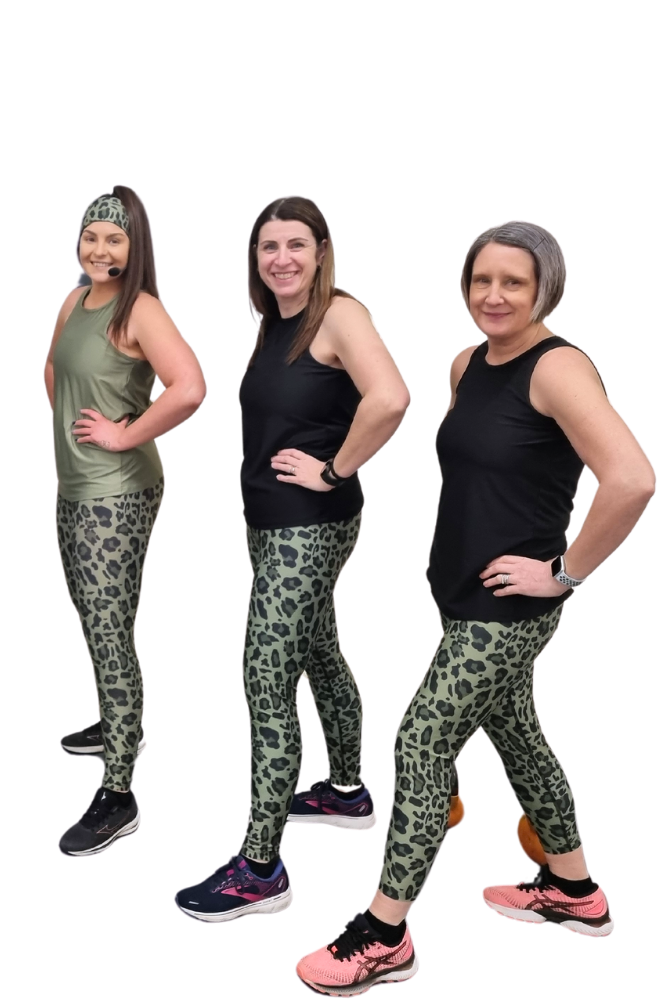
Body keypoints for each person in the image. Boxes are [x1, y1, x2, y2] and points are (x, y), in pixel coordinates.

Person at [295, 222, 655, 994]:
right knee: (519, 734)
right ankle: (573, 890)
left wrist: (563, 573)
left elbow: (631, 479)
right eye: (480, 279)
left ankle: (384, 933)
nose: (493, 295)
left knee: (422, 740)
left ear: (545, 288)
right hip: (459, 597)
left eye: (513, 283)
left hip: (510, 612)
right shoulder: (468, 364)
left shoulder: (558, 369)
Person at [175, 197, 410, 920]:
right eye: (268, 246)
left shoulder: (339, 313)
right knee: (318, 651)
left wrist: (334, 470)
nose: (280, 258)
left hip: (309, 524)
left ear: (321, 251)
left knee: (265, 674)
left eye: (295, 245)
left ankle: (259, 866)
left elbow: (392, 398)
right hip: (275, 525)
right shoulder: (280, 323)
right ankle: (345, 792)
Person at [47, 186, 206, 855]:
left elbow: (190, 386)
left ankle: (119, 790)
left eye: (114, 239)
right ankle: (120, 721)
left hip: (117, 491)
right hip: (76, 484)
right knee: (95, 616)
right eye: (92, 236)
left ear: (135, 247)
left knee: (110, 629)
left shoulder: (141, 308)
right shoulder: (76, 298)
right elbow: (53, 372)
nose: (100, 249)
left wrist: (124, 433)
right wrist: (78, 423)